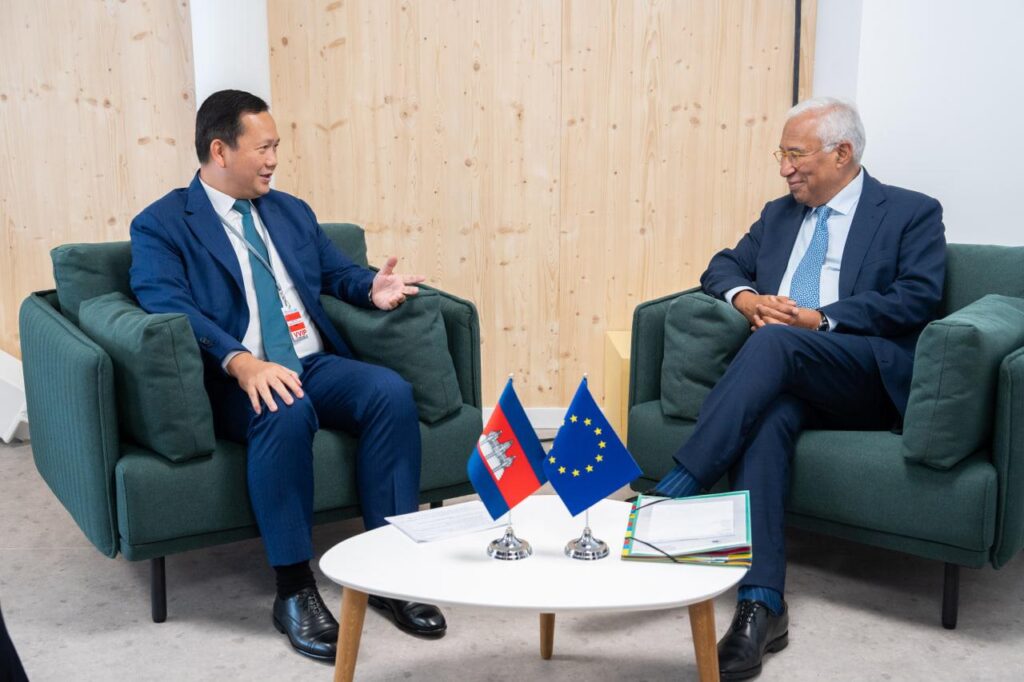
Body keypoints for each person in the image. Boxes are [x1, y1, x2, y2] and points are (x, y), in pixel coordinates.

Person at [129, 89, 446, 662]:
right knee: (284, 406)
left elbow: (337, 273)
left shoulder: (289, 210)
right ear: (220, 151)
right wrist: (240, 360)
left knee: (389, 392)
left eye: (276, 146)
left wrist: (371, 288)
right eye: (264, 148)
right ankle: (294, 590)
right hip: (234, 377)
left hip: (309, 361)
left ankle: (387, 570)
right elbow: (165, 303)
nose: (274, 160)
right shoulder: (162, 225)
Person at [650, 97, 945, 680]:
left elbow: (917, 297)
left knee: (777, 342)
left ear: (842, 153)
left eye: (795, 155)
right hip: (785, 375)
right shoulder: (780, 214)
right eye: (780, 155)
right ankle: (761, 606)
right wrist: (749, 300)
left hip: (860, 373)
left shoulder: (911, 212)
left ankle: (674, 492)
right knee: (769, 418)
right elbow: (722, 266)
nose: (785, 169)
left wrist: (819, 319)